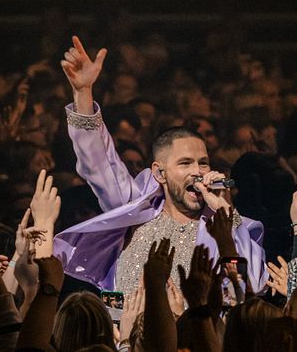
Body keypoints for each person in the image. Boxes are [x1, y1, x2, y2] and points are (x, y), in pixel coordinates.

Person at [53, 36, 268, 295]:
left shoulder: (225, 228)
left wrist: (227, 218)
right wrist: (83, 93)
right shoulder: (135, 211)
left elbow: (251, 287)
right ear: (159, 173)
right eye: (185, 163)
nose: (197, 171)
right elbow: (98, 163)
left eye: (203, 163)